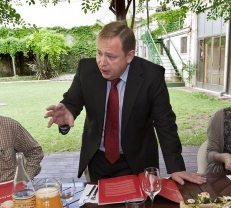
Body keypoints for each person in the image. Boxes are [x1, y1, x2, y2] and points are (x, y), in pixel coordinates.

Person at [44, 21, 205, 185]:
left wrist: (176, 166)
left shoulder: (151, 76)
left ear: (129, 56)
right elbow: (72, 101)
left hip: (137, 163)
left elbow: (165, 123)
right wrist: (67, 114)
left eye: (110, 56)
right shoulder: (86, 70)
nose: (102, 62)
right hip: (97, 160)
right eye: (99, 53)